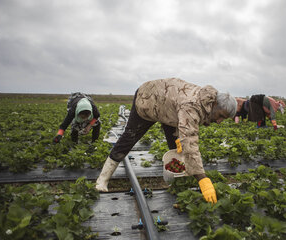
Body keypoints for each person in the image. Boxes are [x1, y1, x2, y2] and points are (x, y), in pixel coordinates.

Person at [95, 78, 238, 204]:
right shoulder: (192, 104)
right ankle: (102, 179)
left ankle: (175, 183)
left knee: (175, 146)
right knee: (129, 138)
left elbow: (186, 123)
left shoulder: (207, 100)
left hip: (168, 107)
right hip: (148, 99)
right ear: (214, 104)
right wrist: (202, 179)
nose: (219, 121)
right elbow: (190, 142)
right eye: (220, 115)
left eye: (223, 119)